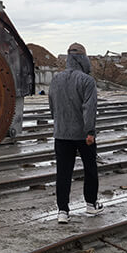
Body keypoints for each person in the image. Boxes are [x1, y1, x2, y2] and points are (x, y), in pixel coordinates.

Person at [48, 42, 103, 223]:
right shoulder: (87, 81)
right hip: (82, 135)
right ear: (82, 59)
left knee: (63, 173)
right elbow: (89, 108)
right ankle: (91, 204)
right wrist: (90, 132)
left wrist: (59, 124)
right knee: (90, 169)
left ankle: (62, 211)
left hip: (61, 134)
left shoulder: (56, 79)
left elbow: (52, 106)